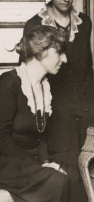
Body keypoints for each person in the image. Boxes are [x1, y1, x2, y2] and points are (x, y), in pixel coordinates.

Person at [19, 0, 94, 182]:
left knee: (93, 163)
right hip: (55, 103)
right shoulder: (35, 23)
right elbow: (27, 70)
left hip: (85, 101)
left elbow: (88, 65)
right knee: (67, 164)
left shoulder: (85, 22)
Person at [0, 26, 69, 202]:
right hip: (8, 162)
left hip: (30, 162)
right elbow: (2, 138)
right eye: (60, 52)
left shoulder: (45, 87)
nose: (65, 59)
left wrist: (46, 162)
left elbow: (41, 136)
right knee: (57, 181)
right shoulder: (9, 83)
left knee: (72, 177)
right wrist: (40, 166)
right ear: (41, 51)